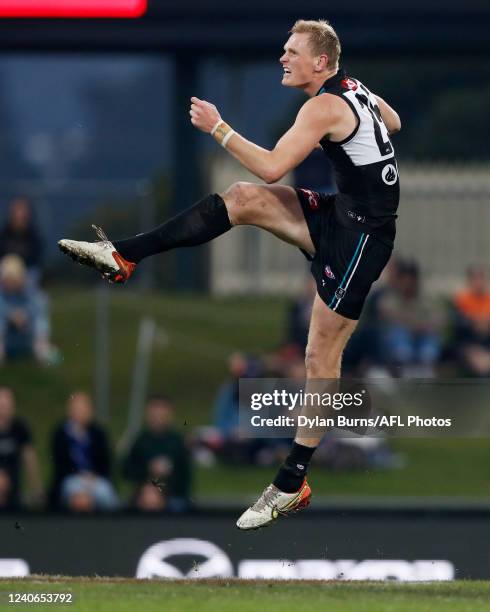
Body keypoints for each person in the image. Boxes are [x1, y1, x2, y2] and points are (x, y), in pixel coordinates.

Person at [59, 19, 401, 529]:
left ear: (321, 64)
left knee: (319, 355)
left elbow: (271, 167)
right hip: (342, 215)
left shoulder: (324, 105)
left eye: (292, 51)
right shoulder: (351, 90)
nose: (283, 57)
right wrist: (368, 121)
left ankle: (292, 481)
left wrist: (218, 127)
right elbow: (392, 122)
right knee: (240, 199)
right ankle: (123, 256)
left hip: (363, 239)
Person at [49, 391, 118, 511]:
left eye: (83, 408)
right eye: (77, 408)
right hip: (70, 479)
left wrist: (93, 476)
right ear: (69, 410)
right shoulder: (60, 434)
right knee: (80, 499)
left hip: (96, 479)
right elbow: (59, 464)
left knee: (107, 496)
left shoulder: (98, 433)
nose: (80, 412)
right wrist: (80, 476)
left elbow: (106, 462)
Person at [122, 395, 192, 511]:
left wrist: (168, 474)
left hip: (172, 493)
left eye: (161, 414)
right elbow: (127, 471)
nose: (158, 417)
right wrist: (148, 469)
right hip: (144, 492)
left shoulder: (177, 442)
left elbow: (185, 477)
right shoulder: (140, 441)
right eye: (154, 414)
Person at [0, 254, 52, 364]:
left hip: (28, 339)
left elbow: (39, 311)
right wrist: (10, 315)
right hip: (7, 340)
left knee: (39, 319)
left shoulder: (33, 294)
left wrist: (25, 314)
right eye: (7, 280)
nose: (10, 284)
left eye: (13, 279)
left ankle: (41, 347)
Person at [0, 386, 44, 510]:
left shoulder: (20, 428)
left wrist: (36, 488)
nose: (3, 409)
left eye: (6, 405)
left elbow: (30, 459)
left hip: (14, 489)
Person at [0, 197, 44, 287]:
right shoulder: (4, 234)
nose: (19, 217)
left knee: (39, 299)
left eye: (22, 215)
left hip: (27, 276)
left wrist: (21, 278)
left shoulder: (34, 237)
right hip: (4, 277)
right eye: (16, 214)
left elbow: (36, 264)